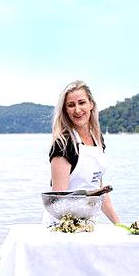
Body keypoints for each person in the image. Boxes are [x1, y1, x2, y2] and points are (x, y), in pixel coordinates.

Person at [48, 80, 120, 224]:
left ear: (91, 104)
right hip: (63, 225)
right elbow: (58, 200)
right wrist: (73, 230)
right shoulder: (63, 144)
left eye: (82, 103)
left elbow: (98, 189)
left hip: (89, 223)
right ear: (65, 110)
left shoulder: (97, 138)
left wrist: (119, 224)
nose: (77, 110)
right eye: (71, 105)